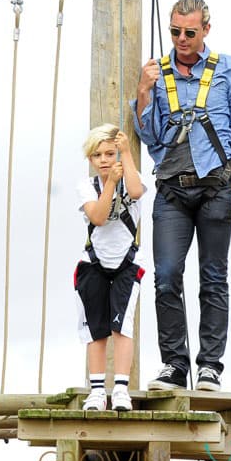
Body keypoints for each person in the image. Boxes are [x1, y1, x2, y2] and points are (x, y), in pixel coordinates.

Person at [131, 0, 231, 392]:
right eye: (175, 32)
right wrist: (144, 93)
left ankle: (210, 367)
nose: (181, 39)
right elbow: (148, 135)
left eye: (189, 32)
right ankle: (173, 364)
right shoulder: (157, 72)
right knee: (166, 276)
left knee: (213, 277)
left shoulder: (228, 70)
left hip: (217, 185)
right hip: (172, 189)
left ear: (205, 30)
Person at [74, 124, 146, 410]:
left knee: (122, 327)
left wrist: (126, 153)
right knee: (95, 329)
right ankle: (95, 390)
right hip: (94, 262)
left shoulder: (131, 179)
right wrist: (111, 185)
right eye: (97, 155)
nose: (104, 160)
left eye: (109, 153)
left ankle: (120, 389)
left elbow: (137, 191)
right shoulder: (87, 188)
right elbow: (100, 216)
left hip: (126, 262)